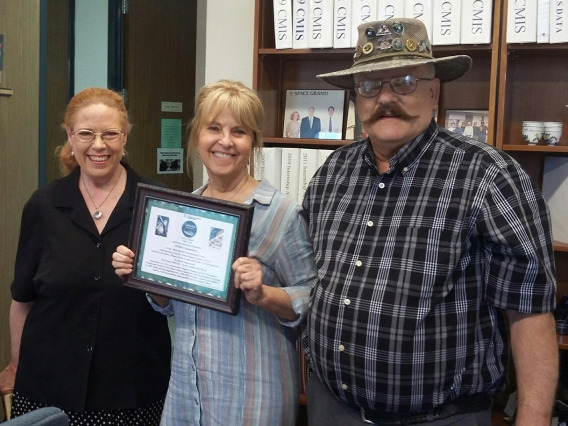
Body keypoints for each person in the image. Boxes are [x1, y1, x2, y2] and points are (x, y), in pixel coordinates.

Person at [303, 18, 558, 425]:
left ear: (434, 90)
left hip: (441, 419)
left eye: (403, 80)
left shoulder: (489, 176)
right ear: (356, 98)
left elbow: (528, 310)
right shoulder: (332, 172)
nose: (385, 98)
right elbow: (315, 280)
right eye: (369, 85)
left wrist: (532, 418)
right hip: (331, 409)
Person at [112, 80, 317, 425]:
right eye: (213, 128)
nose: (225, 141)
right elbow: (171, 306)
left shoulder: (280, 214)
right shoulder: (183, 212)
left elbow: (312, 298)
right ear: (197, 137)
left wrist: (264, 293)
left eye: (239, 131)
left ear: (253, 143)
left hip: (252, 397)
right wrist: (146, 273)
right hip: (187, 393)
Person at [0, 88, 172, 424]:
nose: (98, 145)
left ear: (125, 136)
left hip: (130, 391)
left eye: (110, 134)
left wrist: (149, 277)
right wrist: (16, 365)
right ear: (69, 135)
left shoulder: (158, 204)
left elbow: (170, 304)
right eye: (86, 134)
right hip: (47, 391)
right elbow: (23, 299)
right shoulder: (43, 206)